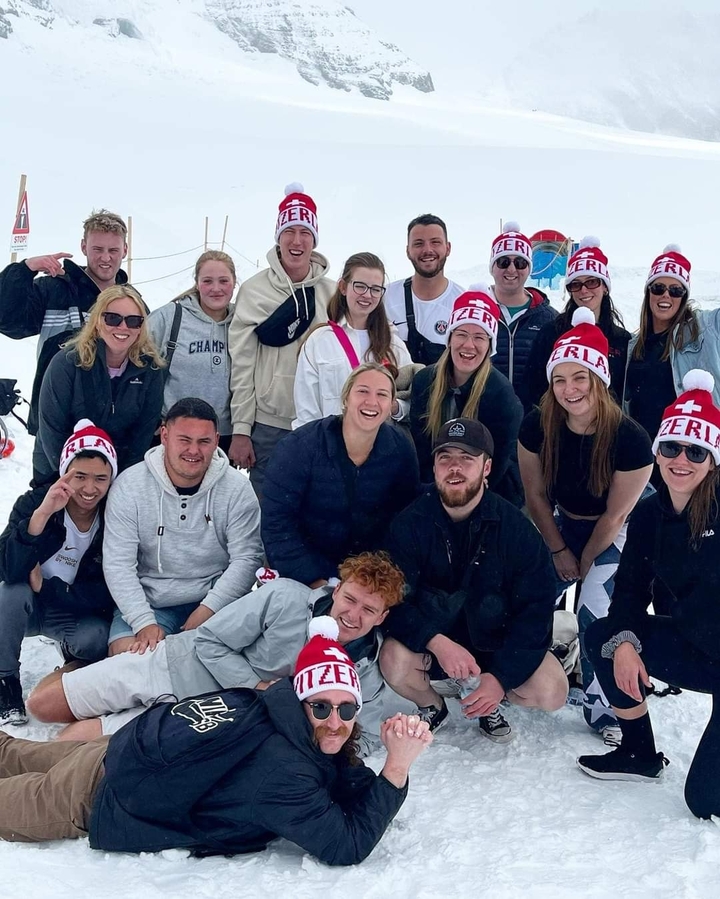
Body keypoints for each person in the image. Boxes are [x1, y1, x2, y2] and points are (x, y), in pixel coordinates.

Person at [0, 620, 432, 861]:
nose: (335, 721)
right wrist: (396, 768)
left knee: (12, 752)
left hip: (114, 751)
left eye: (347, 709)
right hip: (97, 792)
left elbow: (337, 778)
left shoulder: (274, 708)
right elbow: (345, 845)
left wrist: (385, 764)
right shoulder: (284, 773)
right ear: (302, 701)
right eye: (322, 707)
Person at [27, 552, 405, 756]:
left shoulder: (366, 671)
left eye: (368, 610)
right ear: (336, 590)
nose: (353, 615)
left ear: (382, 617)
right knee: (42, 707)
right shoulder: (285, 597)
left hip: (206, 719)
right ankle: (79, 665)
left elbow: (363, 739)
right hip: (176, 666)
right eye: (350, 599)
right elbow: (209, 640)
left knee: (69, 749)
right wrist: (258, 687)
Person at [577, 370, 720, 819]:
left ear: (712, 460)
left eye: (696, 451)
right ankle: (639, 754)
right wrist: (624, 641)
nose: (682, 459)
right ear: (657, 452)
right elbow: (630, 590)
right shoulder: (649, 514)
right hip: (698, 646)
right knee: (603, 636)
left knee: (705, 802)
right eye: (671, 447)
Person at [380, 418, 568, 743]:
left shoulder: (517, 531)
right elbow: (393, 603)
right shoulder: (409, 525)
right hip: (436, 647)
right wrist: (435, 641)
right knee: (393, 660)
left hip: (496, 646)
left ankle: (488, 700)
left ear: (487, 467)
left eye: (467, 458)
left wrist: (500, 678)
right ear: (434, 467)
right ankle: (433, 704)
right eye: (445, 458)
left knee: (552, 690)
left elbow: (535, 613)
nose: (455, 468)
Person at [518, 309, 653, 738]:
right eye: (559, 379)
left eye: (580, 378)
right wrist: (559, 550)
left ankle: (605, 705)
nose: (569, 389)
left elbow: (615, 516)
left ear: (599, 379)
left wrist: (584, 561)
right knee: (527, 591)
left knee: (594, 607)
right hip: (561, 523)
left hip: (614, 531)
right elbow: (535, 497)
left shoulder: (630, 438)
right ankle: (523, 671)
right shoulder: (537, 424)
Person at [101, 397, 263, 655]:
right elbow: (118, 563)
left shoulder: (237, 488)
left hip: (216, 600)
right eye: (184, 440)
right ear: (165, 436)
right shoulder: (130, 486)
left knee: (220, 661)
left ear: (217, 440)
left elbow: (247, 558)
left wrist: (208, 608)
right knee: (128, 658)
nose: (194, 451)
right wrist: (144, 622)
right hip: (151, 601)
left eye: (204, 441)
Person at [0, 422, 118, 724]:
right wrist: (40, 517)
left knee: (96, 637)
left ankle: (70, 658)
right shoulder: (35, 502)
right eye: (80, 476)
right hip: (27, 607)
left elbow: (107, 591)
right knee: (9, 593)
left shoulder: (115, 516)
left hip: (70, 608)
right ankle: (5, 681)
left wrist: (48, 588)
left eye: (100, 478)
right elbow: (8, 568)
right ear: (64, 473)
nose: (89, 488)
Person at [263, 364, 421, 586]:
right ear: (346, 397)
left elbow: (405, 518)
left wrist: (377, 578)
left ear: (390, 405)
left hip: (370, 577)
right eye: (363, 391)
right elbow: (277, 523)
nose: (371, 401)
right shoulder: (300, 447)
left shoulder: (400, 448)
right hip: (306, 575)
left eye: (382, 394)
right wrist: (316, 581)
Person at [227, 183, 334, 497]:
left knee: (317, 508)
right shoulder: (253, 291)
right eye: (289, 231)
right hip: (268, 426)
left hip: (320, 423)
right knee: (267, 510)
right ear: (278, 236)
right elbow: (242, 363)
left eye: (305, 232)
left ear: (314, 239)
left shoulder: (333, 293)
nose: (297, 241)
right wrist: (241, 428)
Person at [0, 210, 129, 433]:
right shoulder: (54, 289)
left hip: (112, 430)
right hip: (55, 424)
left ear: (125, 250)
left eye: (113, 250)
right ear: (83, 247)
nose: (105, 258)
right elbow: (9, 321)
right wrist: (25, 269)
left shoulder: (132, 304)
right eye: (98, 249)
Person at [32, 284, 165, 486]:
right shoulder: (67, 363)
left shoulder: (150, 369)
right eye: (113, 318)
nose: (123, 327)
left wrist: (120, 482)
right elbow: (52, 429)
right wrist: (75, 479)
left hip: (118, 472)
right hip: (59, 470)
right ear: (97, 321)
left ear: (141, 328)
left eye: (133, 321)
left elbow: (142, 435)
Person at [410, 283, 523, 504]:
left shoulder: (501, 395)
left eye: (479, 337)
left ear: (489, 345)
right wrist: (434, 493)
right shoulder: (424, 382)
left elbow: (502, 460)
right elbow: (421, 449)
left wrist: (472, 496)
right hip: (434, 487)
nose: (469, 345)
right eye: (461, 334)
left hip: (488, 492)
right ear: (449, 339)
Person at [293, 252, 412, 428]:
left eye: (375, 289)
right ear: (343, 287)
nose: (367, 295)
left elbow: (411, 402)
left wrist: (395, 407)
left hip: (380, 441)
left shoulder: (393, 344)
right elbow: (306, 411)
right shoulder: (319, 341)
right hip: (331, 441)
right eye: (360, 286)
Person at [624, 245, 720, 459]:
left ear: (684, 296)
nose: (666, 295)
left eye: (676, 290)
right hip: (643, 455)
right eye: (658, 288)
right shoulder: (633, 345)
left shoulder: (704, 328)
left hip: (690, 455)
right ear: (648, 292)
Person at [524, 238, 630, 409]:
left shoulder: (621, 339)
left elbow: (624, 394)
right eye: (576, 284)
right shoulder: (551, 332)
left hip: (606, 422)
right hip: (558, 421)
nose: (584, 290)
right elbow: (533, 388)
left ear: (605, 287)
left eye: (592, 282)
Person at [148, 250, 237, 453]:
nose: (216, 288)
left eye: (223, 281)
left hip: (222, 436)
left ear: (234, 283)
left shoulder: (242, 321)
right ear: (197, 283)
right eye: (207, 281)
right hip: (174, 434)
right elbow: (136, 365)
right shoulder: (170, 317)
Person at [487, 221, 557, 411]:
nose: (511, 269)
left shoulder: (549, 318)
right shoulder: (476, 312)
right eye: (503, 262)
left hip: (534, 420)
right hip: (484, 417)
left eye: (520, 263)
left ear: (529, 268)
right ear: (492, 267)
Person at [383, 214, 464, 365]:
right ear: (408, 251)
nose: (427, 250)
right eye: (418, 244)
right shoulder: (386, 298)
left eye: (435, 242)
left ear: (448, 248)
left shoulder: (463, 303)